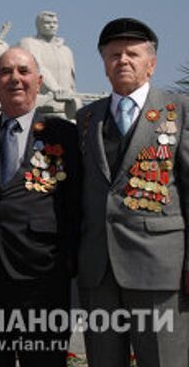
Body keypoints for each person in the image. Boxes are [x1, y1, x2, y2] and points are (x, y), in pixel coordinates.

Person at [76, 18, 188, 367]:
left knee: (163, 360)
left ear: (151, 64)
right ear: (104, 64)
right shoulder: (86, 118)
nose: (122, 60)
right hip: (98, 270)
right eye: (113, 55)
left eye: (132, 54)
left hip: (159, 266)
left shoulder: (179, 109)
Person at [0, 47, 80, 367]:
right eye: (5, 72)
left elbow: (76, 202)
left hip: (44, 274)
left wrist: (68, 261)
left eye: (23, 71)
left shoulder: (64, 135)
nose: (15, 78)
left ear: (39, 81)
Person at [17, 11, 80, 119]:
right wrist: (55, 89)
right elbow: (37, 67)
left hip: (65, 110)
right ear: (38, 25)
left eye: (55, 23)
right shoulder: (29, 43)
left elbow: (71, 81)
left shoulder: (66, 50)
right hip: (39, 109)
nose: (52, 25)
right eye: (47, 22)